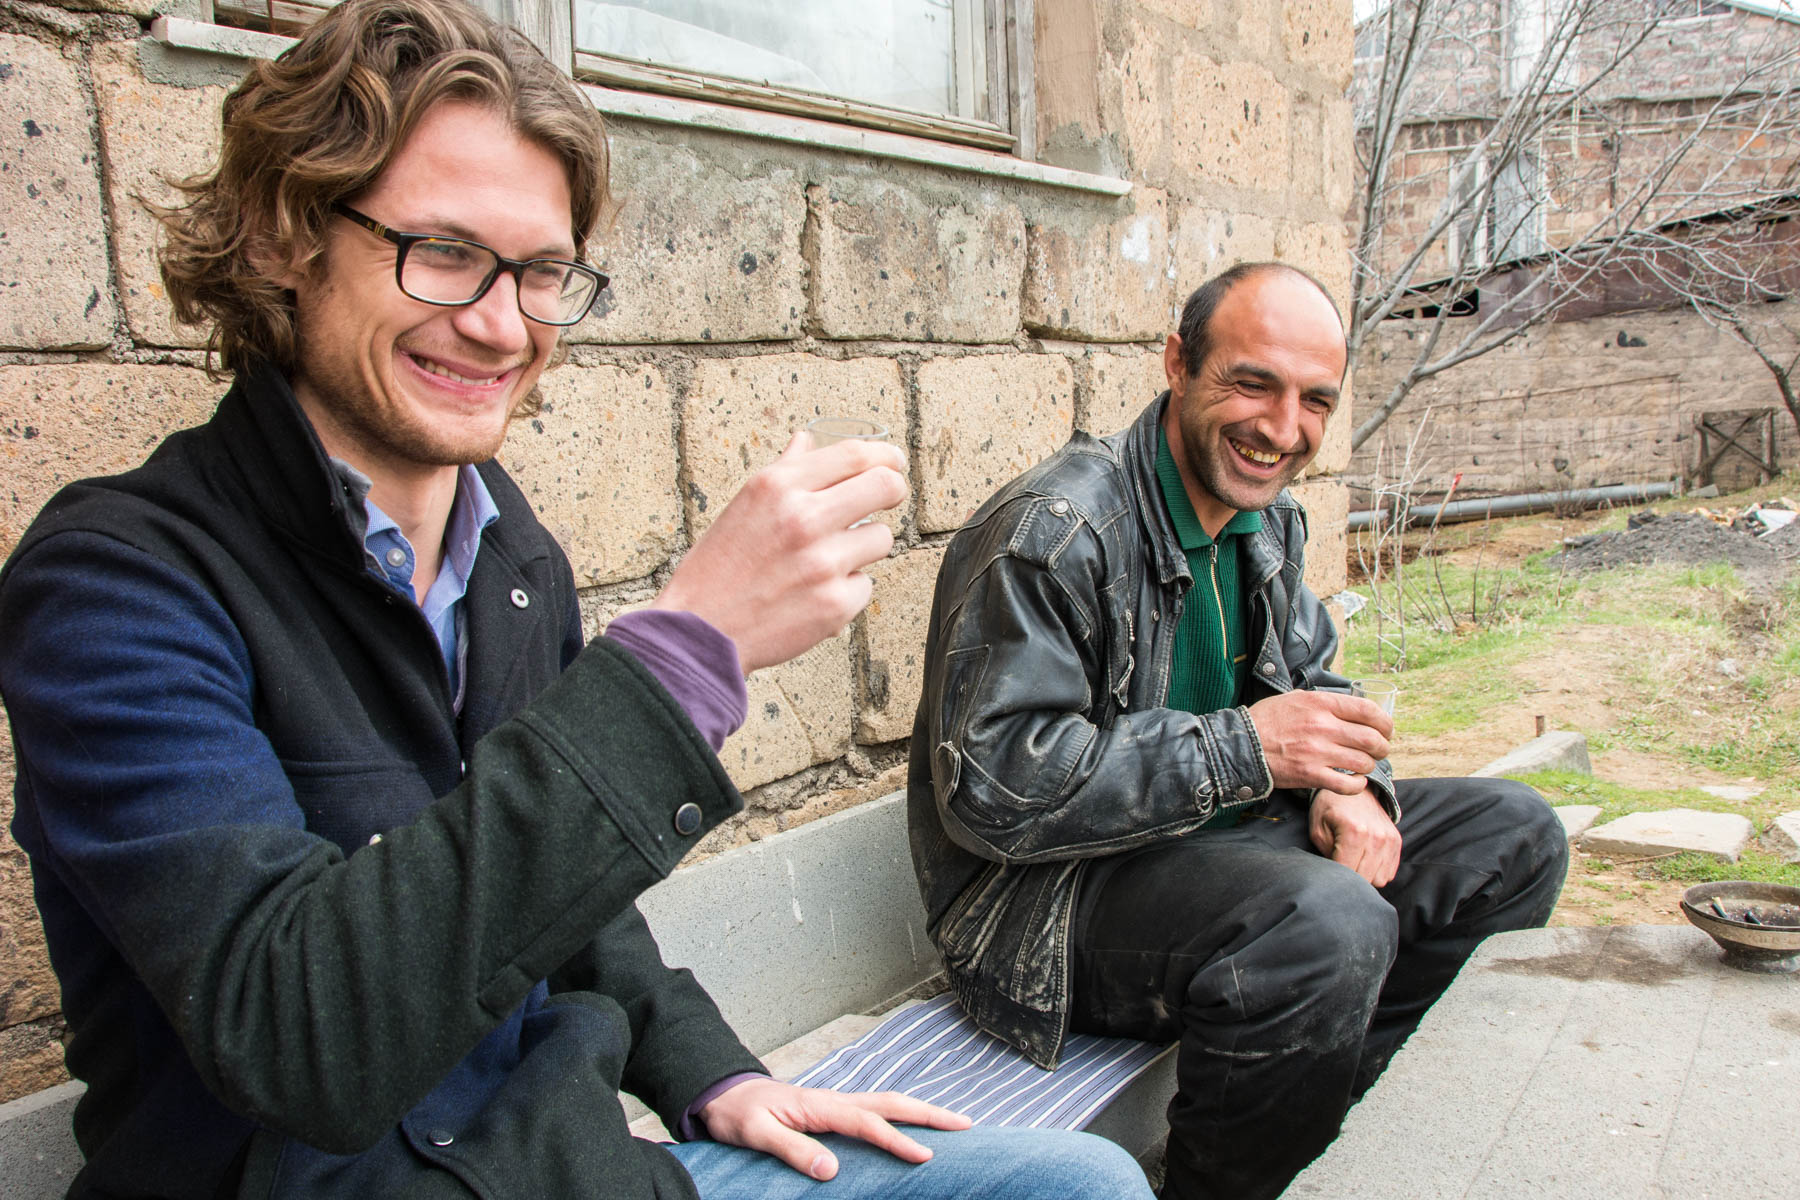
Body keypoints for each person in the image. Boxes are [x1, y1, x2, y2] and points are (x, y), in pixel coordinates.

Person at [0, 2, 1153, 1197]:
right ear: (285, 240)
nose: (501, 326)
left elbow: (570, 904)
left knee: (1077, 1184)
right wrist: (679, 658)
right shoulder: (116, 586)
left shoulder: (511, 556)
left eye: (541, 272)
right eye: (442, 252)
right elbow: (298, 1044)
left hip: (578, 1171)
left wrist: (717, 1076)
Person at [907, 262, 1570, 1200]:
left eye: (1314, 401)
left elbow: (1313, 684)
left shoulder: (1268, 523)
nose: (1281, 428)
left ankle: (1326, 1123)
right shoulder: (1054, 529)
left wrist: (1349, 785)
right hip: (1048, 904)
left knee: (1515, 837)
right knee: (1326, 925)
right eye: (1252, 382)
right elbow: (992, 791)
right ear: (1179, 363)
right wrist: (1250, 748)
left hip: (1231, 852)